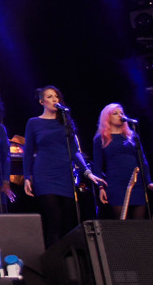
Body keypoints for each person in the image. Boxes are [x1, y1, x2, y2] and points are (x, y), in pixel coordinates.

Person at [23, 86, 106, 248]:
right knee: (55, 220)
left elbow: (75, 151)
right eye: (49, 97)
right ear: (42, 101)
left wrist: (88, 173)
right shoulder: (34, 122)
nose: (54, 100)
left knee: (68, 222)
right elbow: (27, 152)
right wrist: (27, 177)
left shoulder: (65, 122)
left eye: (56, 97)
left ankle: (69, 262)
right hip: (44, 175)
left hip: (65, 175)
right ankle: (54, 263)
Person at [92, 103, 153, 219]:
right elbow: (97, 165)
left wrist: (148, 182)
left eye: (121, 113)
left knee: (139, 224)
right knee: (123, 223)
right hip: (115, 184)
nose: (120, 115)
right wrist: (101, 187)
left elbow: (142, 160)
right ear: (107, 117)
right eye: (115, 113)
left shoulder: (132, 136)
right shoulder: (100, 138)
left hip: (136, 184)